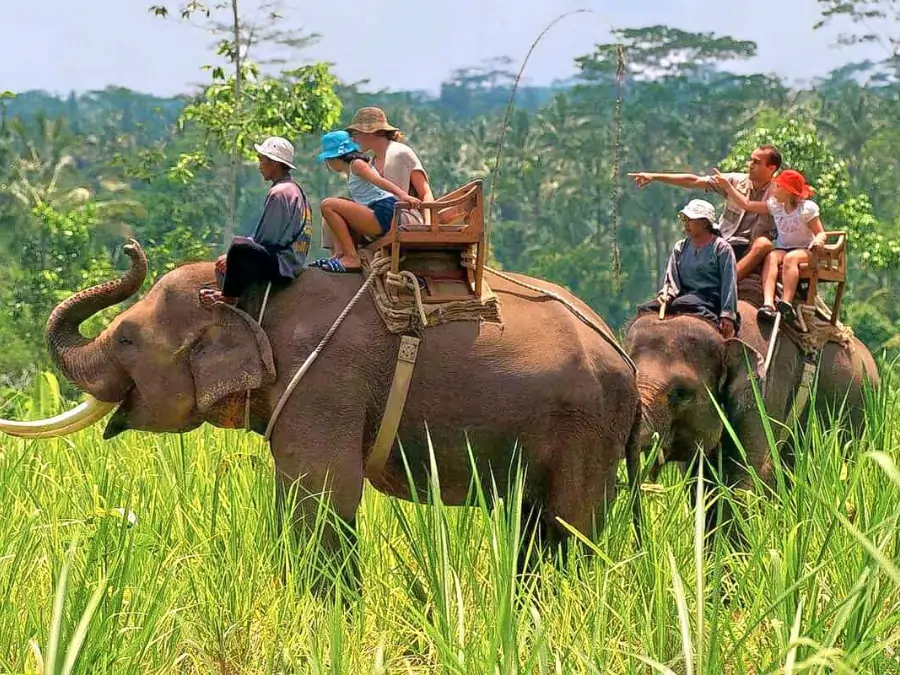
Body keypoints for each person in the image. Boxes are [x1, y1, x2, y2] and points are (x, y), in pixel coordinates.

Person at [628, 144, 782, 282]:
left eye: (756, 162)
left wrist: (729, 189)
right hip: (724, 240)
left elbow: (749, 205)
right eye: (751, 160)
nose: (750, 165)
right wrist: (654, 176)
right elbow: (694, 181)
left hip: (750, 247)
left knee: (764, 244)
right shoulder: (736, 181)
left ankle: (728, 282)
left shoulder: (779, 193)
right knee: (691, 236)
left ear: (771, 168)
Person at [314, 106, 435, 266]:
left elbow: (425, 191)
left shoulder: (399, 153)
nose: (354, 140)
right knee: (333, 210)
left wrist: (429, 226)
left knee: (329, 205)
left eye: (355, 134)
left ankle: (351, 257)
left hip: (400, 215)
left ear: (369, 132)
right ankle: (339, 255)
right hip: (378, 211)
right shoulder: (370, 161)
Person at [200, 136, 312, 306]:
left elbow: (267, 238)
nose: (259, 165)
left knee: (239, 246)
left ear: (275, 163)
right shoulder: (295, 190)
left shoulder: (280, 193)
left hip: (283, 264)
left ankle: (229, 296)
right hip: (294, 260)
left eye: (262, 159)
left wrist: (232, 257)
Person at [713, 168, 826, 324]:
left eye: (778, 186)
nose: (775, 189)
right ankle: (768, 303)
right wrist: (728, 187)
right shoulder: (776, 207)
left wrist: (818, 241)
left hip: (805, 250)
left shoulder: (806, 209)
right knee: (772, 257)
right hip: (783, 249)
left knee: (790, 259)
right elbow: (747, 204)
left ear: (787, 191)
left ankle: (786, 302)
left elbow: (821, 233)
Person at [640, 199, 739, 338]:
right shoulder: (680, 247)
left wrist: (728, 315)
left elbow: (729, 284)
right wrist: (666, 295)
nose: (685, 223)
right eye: (684, 219)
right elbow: (671, 280)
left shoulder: (721, 248)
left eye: (690, 219)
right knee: (646, 310)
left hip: (709, 299)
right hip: (683, 297)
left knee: (683, 303)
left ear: (705, 222)